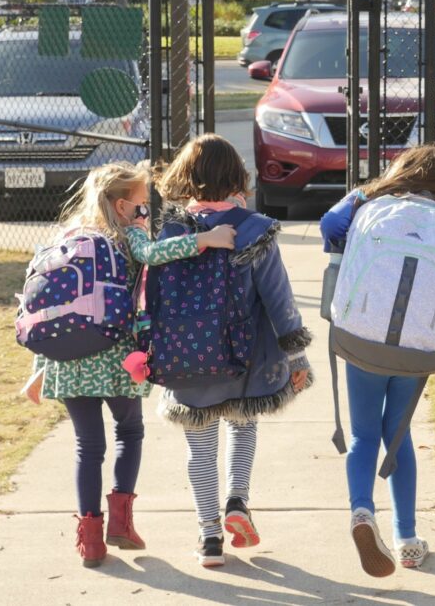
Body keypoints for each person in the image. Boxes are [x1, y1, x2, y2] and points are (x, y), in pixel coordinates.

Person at [23, 161, 237, 568]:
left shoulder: (66, 237)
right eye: (141, 207)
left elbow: (48, 306)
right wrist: (206, 239)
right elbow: (155, 255)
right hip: (116, 356)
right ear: (122, 207)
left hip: (69, 363)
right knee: (129, 431)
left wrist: (40, 364)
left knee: (88, 447)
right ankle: (120, 523)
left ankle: (90, 540)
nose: (145, 215)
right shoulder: (127, 236)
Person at [319, 144, 435, 576]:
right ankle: (408, 539)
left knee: (363, 436)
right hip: (418, 348)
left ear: (400, 172)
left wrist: (365, 192)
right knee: (398, 436)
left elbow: (329, 224)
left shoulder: (372, 205)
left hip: (362, 339)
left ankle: (361, 512)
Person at [152, 134, 313, 568]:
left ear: (185, 176)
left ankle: (208, 538)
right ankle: (237, 500)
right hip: (247, 360)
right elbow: (280, 301)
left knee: (199, 447)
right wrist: (297, 358)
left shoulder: (169, 233)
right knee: (243, 426)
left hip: (188, 360)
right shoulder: (254, 229)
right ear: (237, 177)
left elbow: (150, 299)